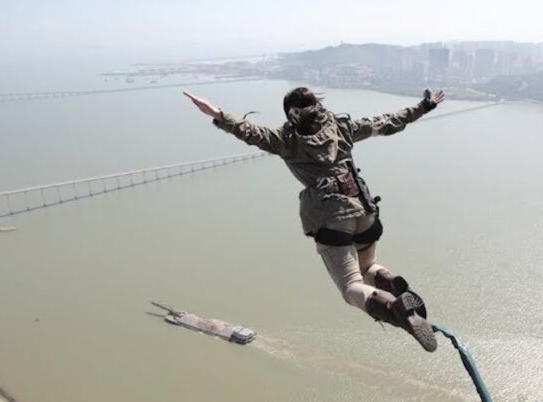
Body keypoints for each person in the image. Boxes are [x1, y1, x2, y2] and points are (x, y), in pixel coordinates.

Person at [183, 87, 445, 352]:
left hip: (332, 219)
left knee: (351, 286)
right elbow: (387, 122)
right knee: (369, 268)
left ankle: (395, 309)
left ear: (291, 113)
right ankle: (395, 287)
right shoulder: (342, 127)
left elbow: (247, 131)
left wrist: (214, 112)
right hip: (364, 211)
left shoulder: (286, 140)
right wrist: (425, 106)